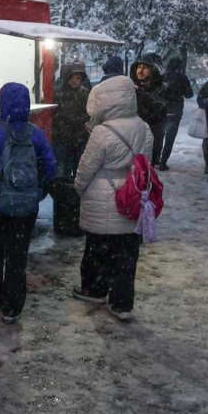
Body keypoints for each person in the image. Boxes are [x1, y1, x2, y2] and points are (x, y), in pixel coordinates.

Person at [0, 82, 57, 324]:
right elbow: (51, 167)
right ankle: (13, 308)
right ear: (27, 104)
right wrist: (34, 189)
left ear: (2, 103)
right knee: (17, 257)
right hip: (25, 208)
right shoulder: (36, 134)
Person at [71, 76, 153, 321]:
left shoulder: (101, 132)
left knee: (97, 248)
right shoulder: (144, 127)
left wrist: (78, 188)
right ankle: (122, 303)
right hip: (131, 193)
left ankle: (95, 289)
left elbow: (86, 168)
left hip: (101, 193)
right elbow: (145, 163)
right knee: (127, 253)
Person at [51, 63, 90, 236]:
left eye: (79, 78)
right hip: (62, 141)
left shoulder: (85, 93)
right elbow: (54, 116)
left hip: (80, 140)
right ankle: (63, 214)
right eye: (73, 77)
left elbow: (90, 114)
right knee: (62, 177)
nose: (75, 81)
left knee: (80, 176)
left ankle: (76, 215)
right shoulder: (57, 93)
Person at [132, 52, 168, 170]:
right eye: (139, 67)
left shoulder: (163, 89)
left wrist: (140, 93)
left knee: (144, 175)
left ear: (154, 70)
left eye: (145, 67)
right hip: (131, 139)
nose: (140, 71)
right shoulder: (132, 86)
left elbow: (158, 110)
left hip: (151, 141)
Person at [158, 56, 195, 169]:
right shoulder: (182, 77)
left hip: (160, 110)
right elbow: (189, 94)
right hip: (175, 111)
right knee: (170, 138)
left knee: (158, 136)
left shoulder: (161, 76)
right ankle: (163, 162)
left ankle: (155, 160)